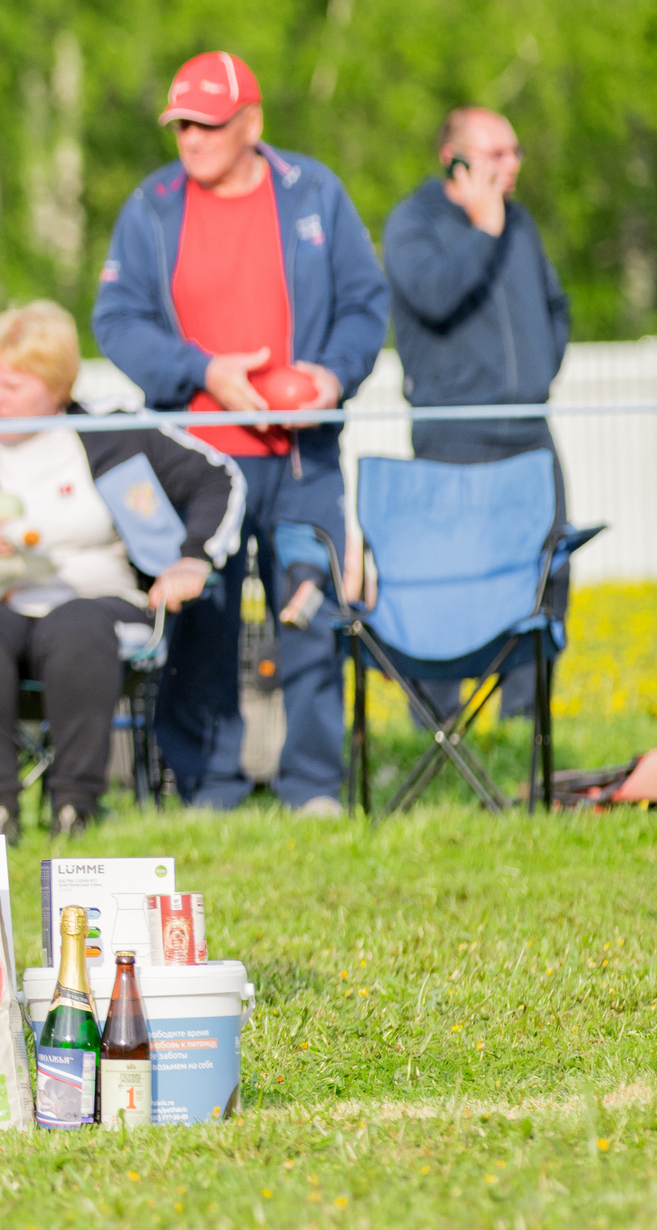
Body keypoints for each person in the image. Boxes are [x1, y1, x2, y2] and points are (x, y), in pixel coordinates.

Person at [90, 51, 388, 815]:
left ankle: (315, 786)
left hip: (303, 458)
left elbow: (365, 303)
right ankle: (209, 786)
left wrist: (331, 377)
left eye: (208, 125)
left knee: (310, 609)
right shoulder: (150, 204)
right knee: (202, 623)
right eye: (181, 124)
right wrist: (200, 370)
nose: (190, 138)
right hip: (198, 462)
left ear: (251, 123)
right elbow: (116, 322)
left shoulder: (315, 192)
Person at [0, 302, 241, 841]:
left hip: (99, 604)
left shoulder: (115, 429)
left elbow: (218, 478)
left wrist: (193, 557)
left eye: (13, 386)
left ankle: (74, 805)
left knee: (77, 625)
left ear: (58, 388)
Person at [384, 106, 573, 720]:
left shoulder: (520, 226)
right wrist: (483, 230)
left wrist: (542, 367)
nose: (513, 165)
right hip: (454, 436)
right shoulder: (415, 224)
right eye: (497, 154)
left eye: (515, 152)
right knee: (449, 583)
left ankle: (525, 720)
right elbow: (434, 296)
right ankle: (438, 725)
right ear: (456, 159)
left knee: (546, 572)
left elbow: (554, 307)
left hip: (527, 431)